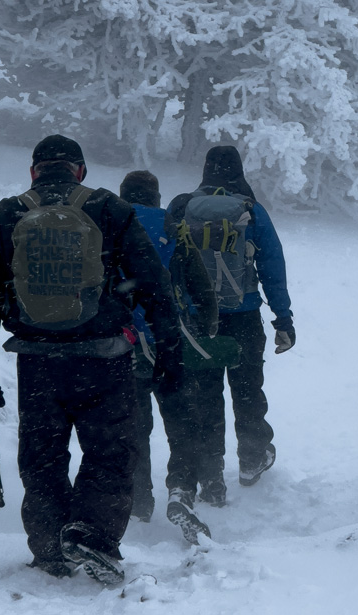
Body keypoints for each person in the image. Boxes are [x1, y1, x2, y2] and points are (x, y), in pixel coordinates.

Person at [0, 135, 182, 584]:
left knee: (42, 458)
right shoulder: (110, 210)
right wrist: (170, 352)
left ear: (34, 172)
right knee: (111, 451)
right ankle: (93, 536)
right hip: (104, 357)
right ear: (79, 170)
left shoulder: (4, 216)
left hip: (38, 362)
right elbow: (155, 285)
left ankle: (49, 548)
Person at [166, 145, 295, 509]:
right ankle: (252, 459)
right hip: (244, 316)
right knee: (248, 389)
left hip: (198, 319)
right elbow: (272, 265)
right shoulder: (251, 212)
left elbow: (168, 260)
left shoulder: (184, 208)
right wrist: (283, 318)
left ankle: (211, 478)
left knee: (205, 397)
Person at [118, 170, 218, 541]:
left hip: (124, 345)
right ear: (157, 197)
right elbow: (198, 281)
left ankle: (139, 499)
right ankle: (181, 492)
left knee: (134, 426)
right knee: (182, 422)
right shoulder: (174, 227)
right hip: (171, 341)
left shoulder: (110, 225)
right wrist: (207, 325)